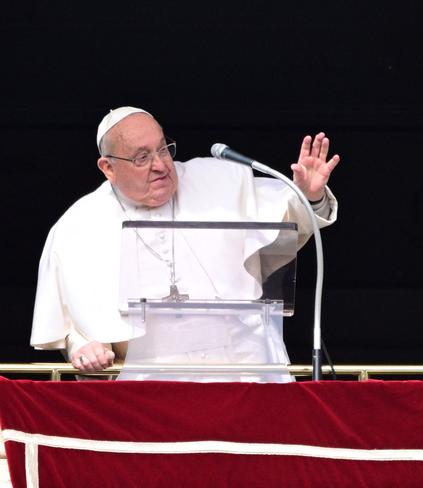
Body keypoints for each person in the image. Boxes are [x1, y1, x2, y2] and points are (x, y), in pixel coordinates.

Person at [30, 106, 340, 378]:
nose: (161, 165)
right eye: (142, 157)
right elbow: (70, 319)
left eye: (163, 149)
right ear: (108, 167)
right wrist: (82, 344)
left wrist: (309, 196)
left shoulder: (220, 180)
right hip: (148, 381)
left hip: (241, 370)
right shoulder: (79, 225)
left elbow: (287, 223)